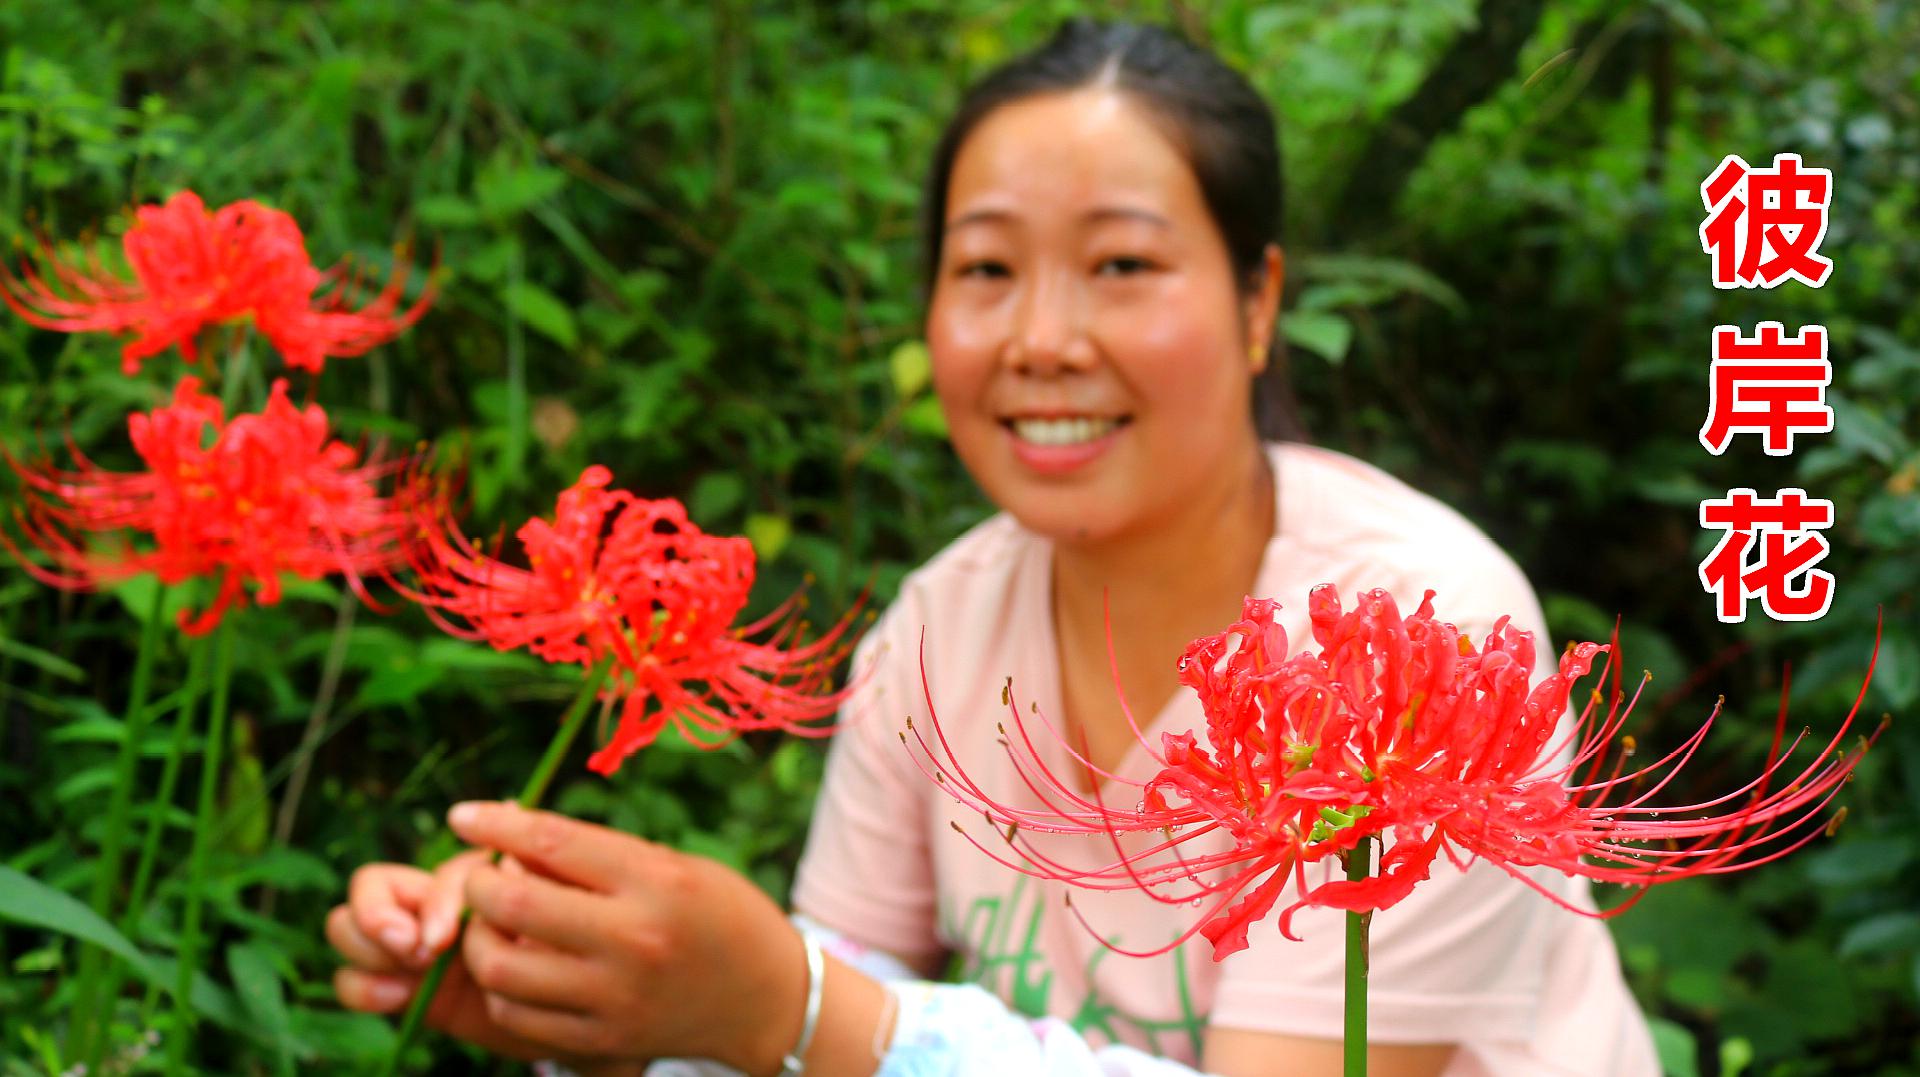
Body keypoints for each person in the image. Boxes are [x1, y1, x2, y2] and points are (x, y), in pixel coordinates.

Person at [329, 19, 1660, 1077]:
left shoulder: (1430, 632)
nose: (1040, 339)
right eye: (984, 270)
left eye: (1122, 266)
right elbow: (818, 1023)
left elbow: (817, 1017)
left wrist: (770, 999)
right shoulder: (937, 625)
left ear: (1261, 303)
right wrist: (591, 1006)